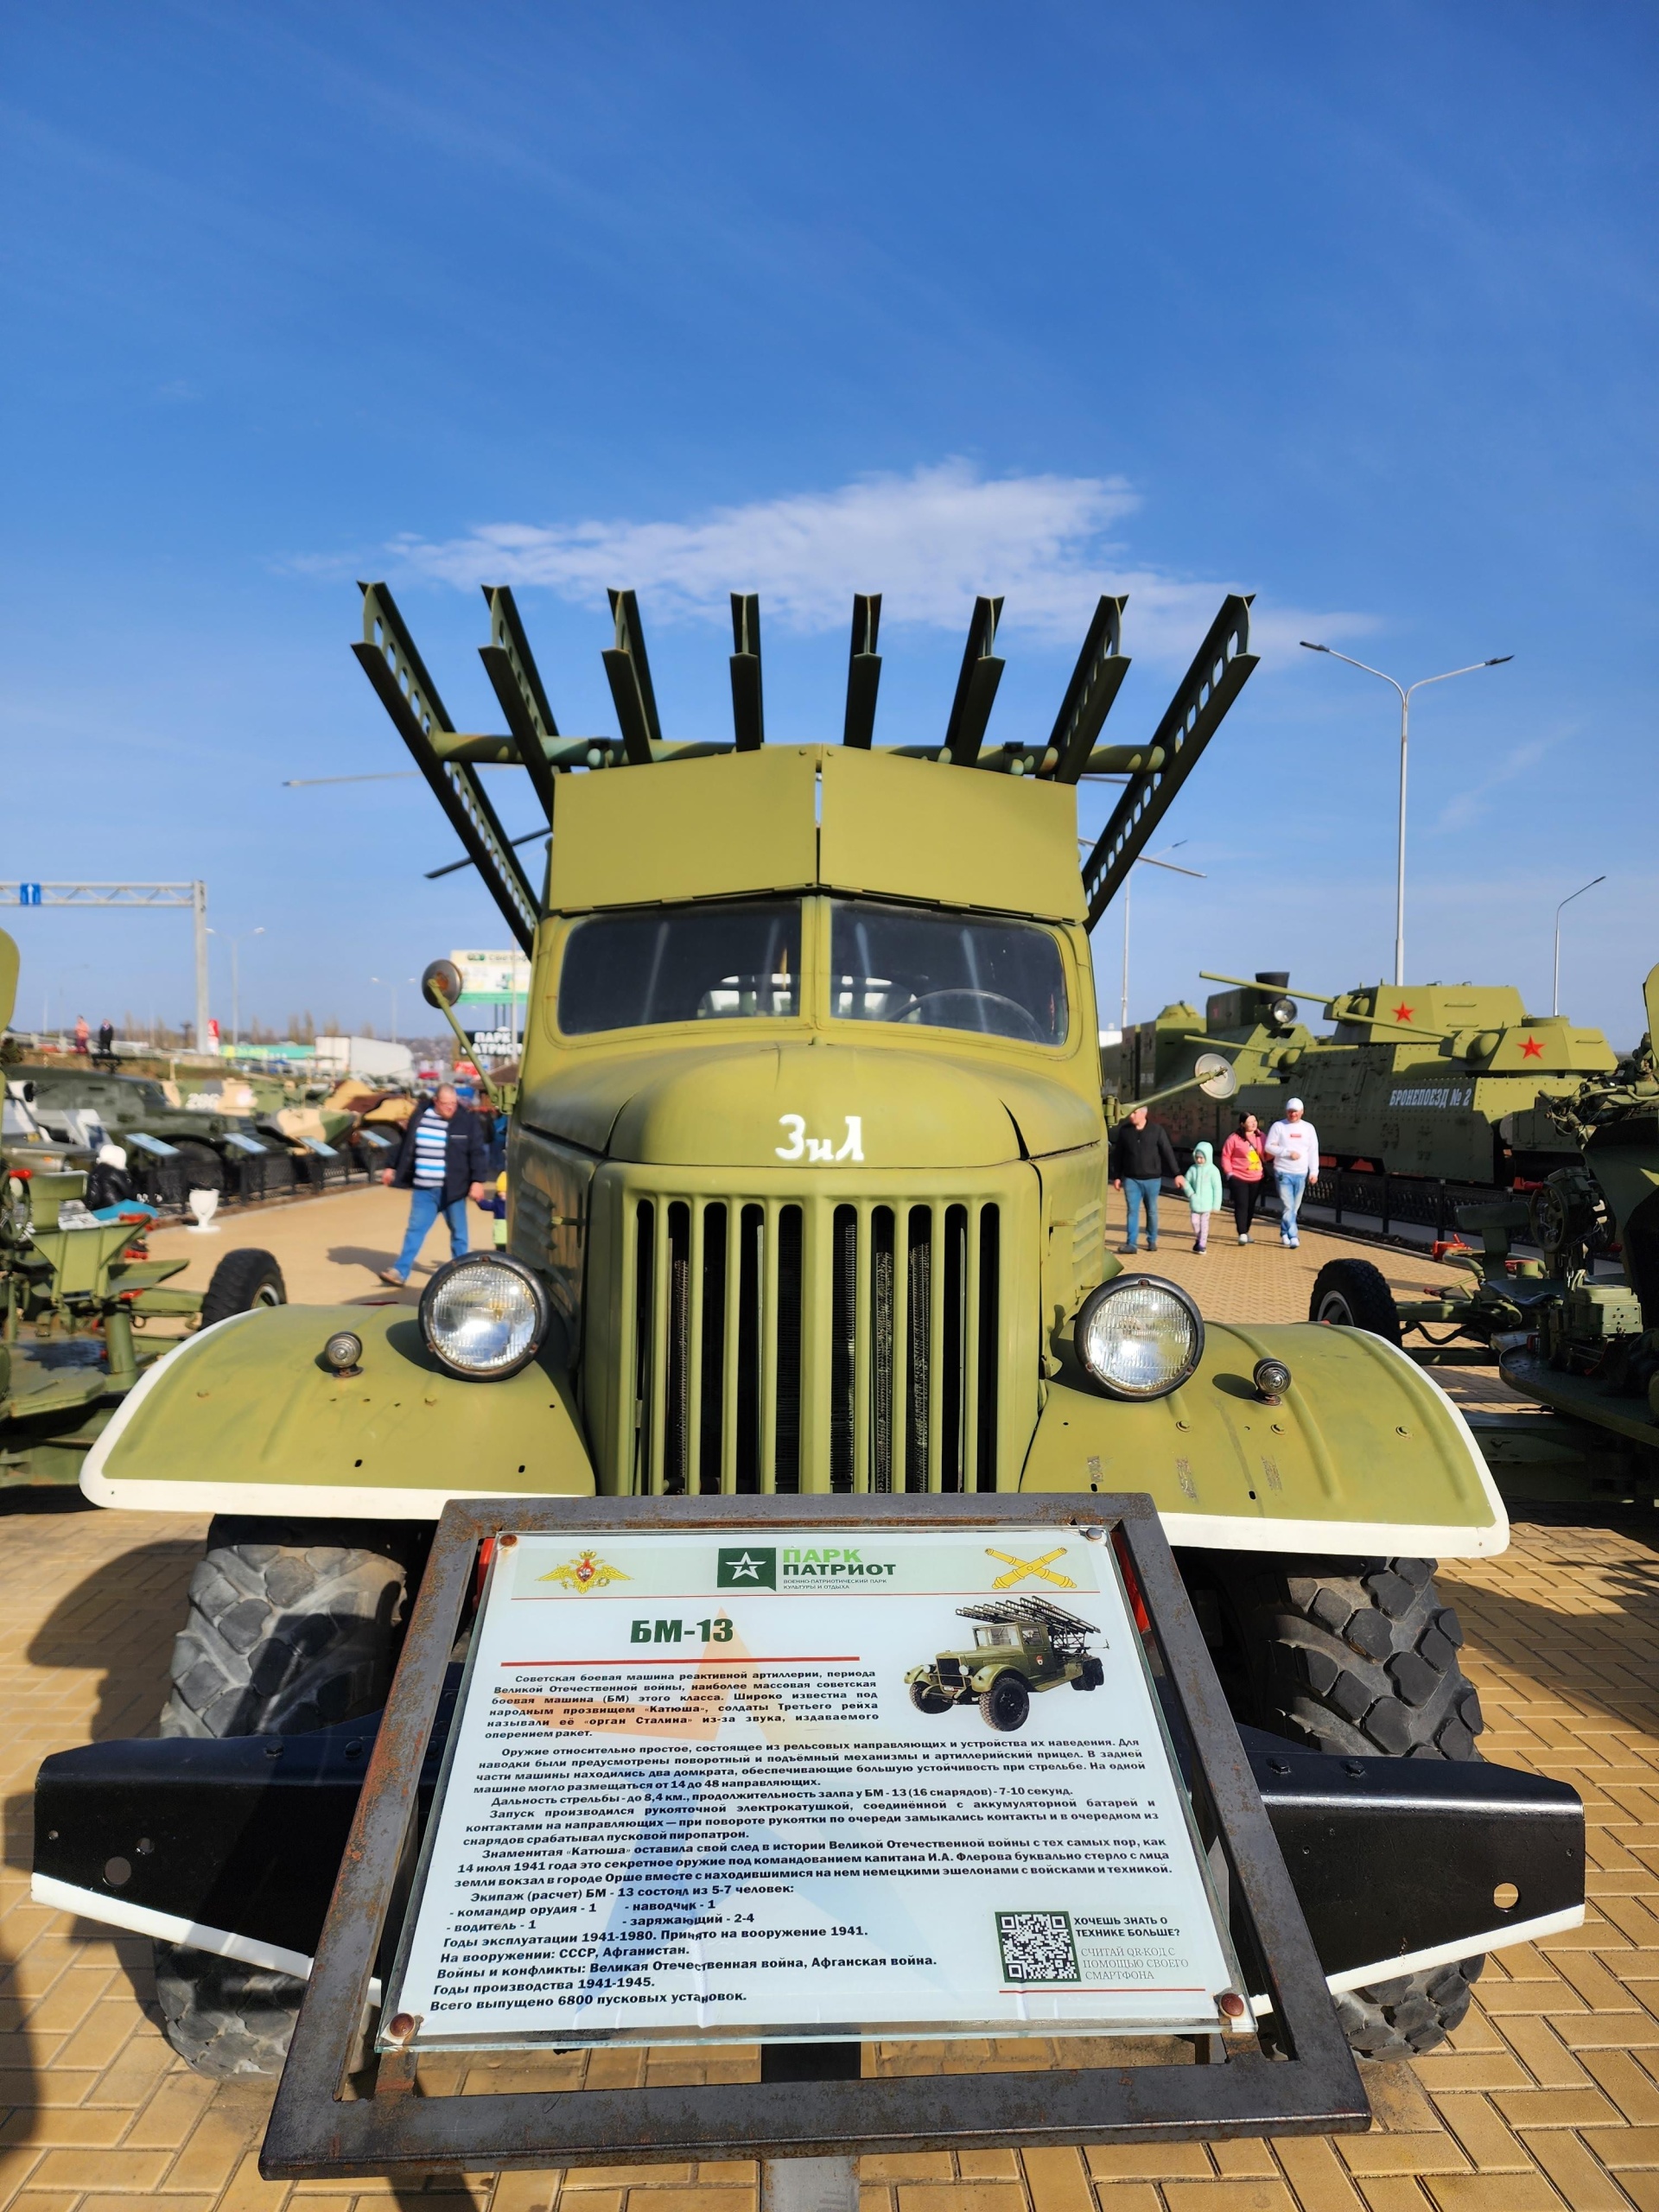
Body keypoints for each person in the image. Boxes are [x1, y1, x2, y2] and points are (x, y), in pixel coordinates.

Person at [378, 1083, 490, 1287]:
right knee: (415, 1230)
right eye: (446, 1104)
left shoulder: (466, 1120)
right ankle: (400, 1272)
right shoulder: (420, 1116)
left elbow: (477, 1152)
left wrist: (477, 1181)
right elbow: (406, 1144)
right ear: (436, 1102)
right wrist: (390, 1166)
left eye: (454, 1104)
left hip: (454, 1189)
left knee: (459, 1234)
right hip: (424, 1190)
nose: (451, 1108)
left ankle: (462, 1274)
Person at [1109, 1105, 1184, 1255]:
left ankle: (1152, 1240)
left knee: (1152, 1211)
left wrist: (1177, 1173)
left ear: (1144, 1113)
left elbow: (1167, 1152)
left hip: (1152, 1179)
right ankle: (1131, 1244)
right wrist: (1117, 1176)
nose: (1131, 1116)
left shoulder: (1157, 1131)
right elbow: (1118, 1155)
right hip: (1131, 1180)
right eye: (1131, 1113)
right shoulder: (1125, 1132)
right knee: (1132, 1211)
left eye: (1135, 1112)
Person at [1266, 1096, 1321, 1249]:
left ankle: (1284, 1232)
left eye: (1296, 1112)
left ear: (1302, 1112)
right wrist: (1286, 1152)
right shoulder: (1279, 1126)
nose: (1293, 1114)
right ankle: (1293, 1235)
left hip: (1301, 1173)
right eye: (1290, 1111)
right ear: (1286, 1111)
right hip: (1283, 1172)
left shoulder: (1308, 1128)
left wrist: (1314, 1171)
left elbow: (1313, 1150)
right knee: (1289, 1206)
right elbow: (1269, 1147)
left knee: (1294, 1207)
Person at [1220, 1112, 1268, 1243]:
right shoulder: (1234, 1138)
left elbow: (1267, 1153)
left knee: (1251, 1206)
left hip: (1257, 1177)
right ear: (1242, 1124)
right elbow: (1226, 1156)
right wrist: (1229, 1173)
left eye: (1255, 1120)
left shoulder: (1261, 1137)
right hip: (1239, 1177)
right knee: (1242, 1205)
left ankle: (1246, 1231)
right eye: (1250, 1121)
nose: (1254, 1123)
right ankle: (1241, 1233)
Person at [1183, 1138, 1224, 1254]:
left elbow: (1217, 1188)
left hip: (1207, 1204)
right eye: (1197, 1157)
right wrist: (1191, 1194)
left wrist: (1216, 1205)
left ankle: (1202, 1244)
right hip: (1195, 1203)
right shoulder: (1192, 1169)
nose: (1199, 1160)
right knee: (1195, 1222)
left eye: (1201, 1157)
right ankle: (1198, 1238)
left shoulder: (1213, 1171)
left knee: (1204, 1225)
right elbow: (1186, 1182)